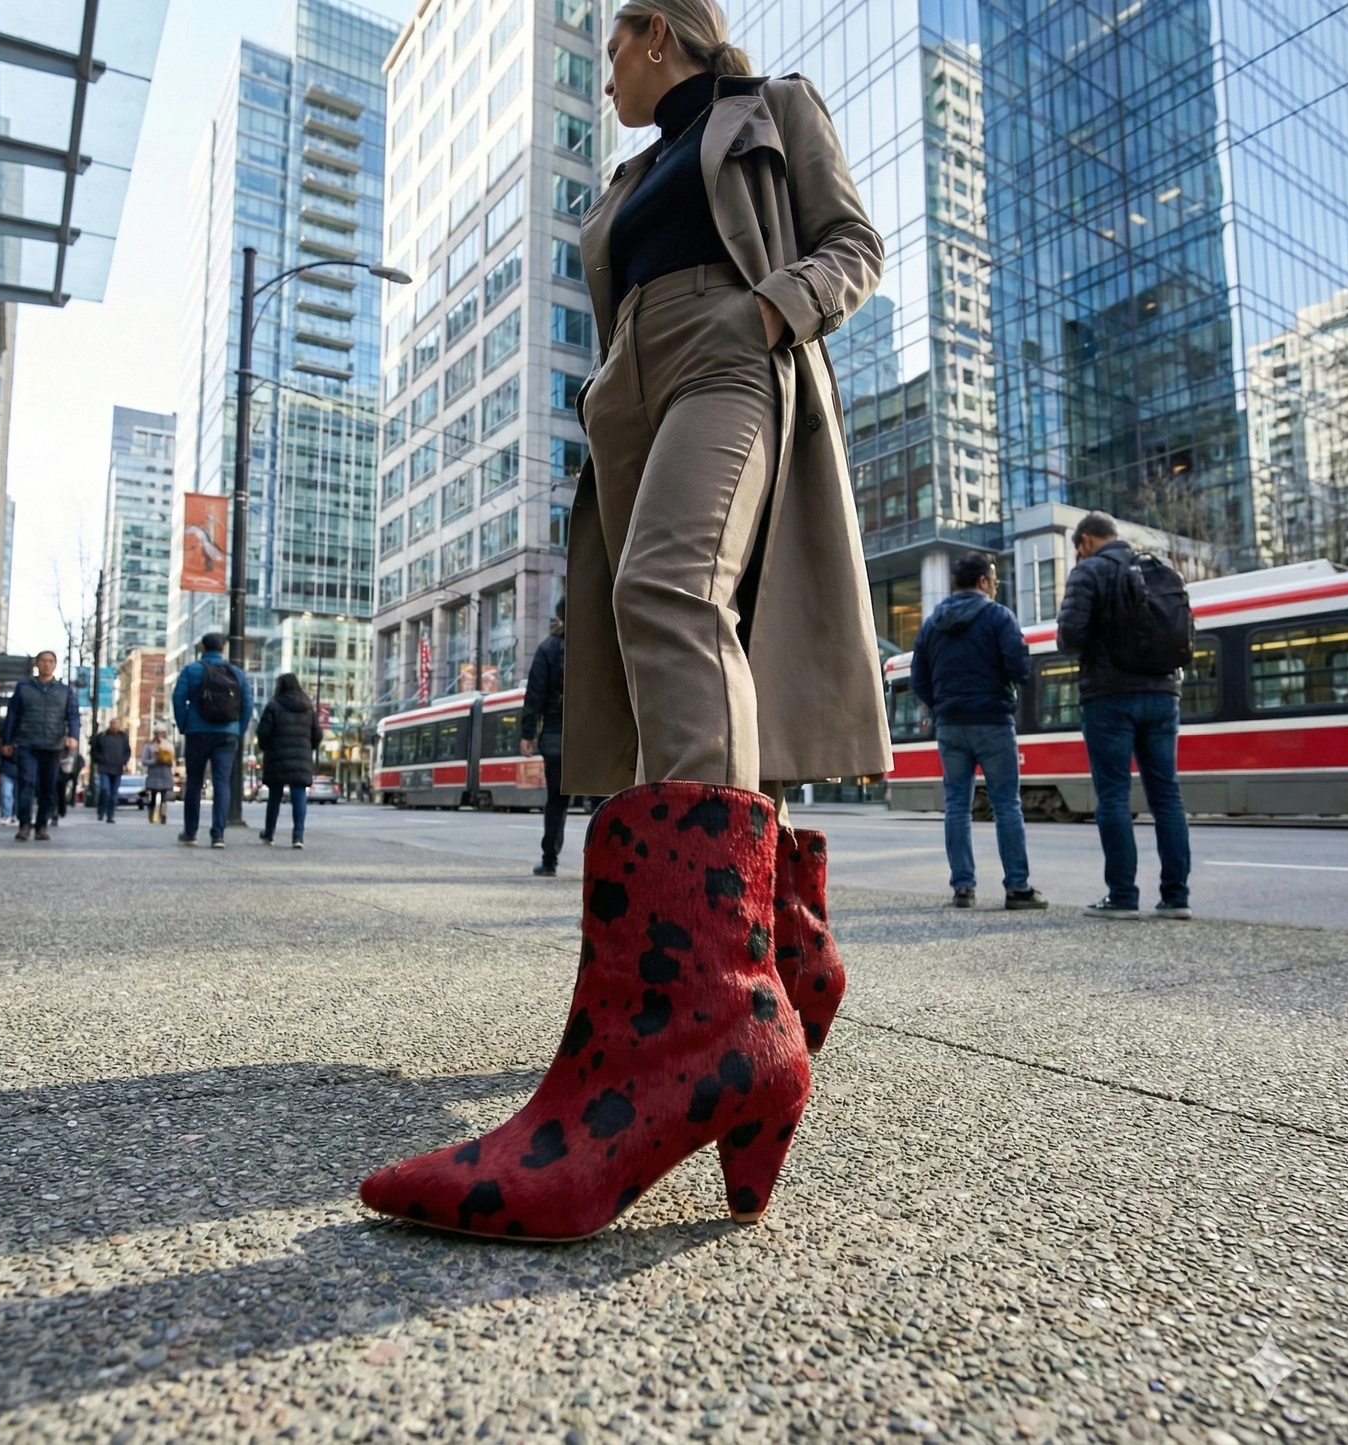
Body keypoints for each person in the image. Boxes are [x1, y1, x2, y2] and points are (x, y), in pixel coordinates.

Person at [359, 1, 891, 1241]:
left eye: (609, 47)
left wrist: (764, 312)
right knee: (664, 651)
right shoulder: (627, 172)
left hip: (726, 348)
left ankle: (703, 1007)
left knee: (670, 592)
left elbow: (854, 244)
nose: (601, 71)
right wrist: (609, 378)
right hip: (632, 390)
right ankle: (778, 946)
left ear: (659, 34)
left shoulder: (779, 108)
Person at [1057, 511, 1192, 920]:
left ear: (1084, 542)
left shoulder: (1089, 572)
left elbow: (1069, 639)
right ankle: (1176, 897)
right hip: (1163, 694)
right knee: (1166, 795)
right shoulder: (1158, 568)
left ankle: (1122, 896)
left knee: (1114, 795)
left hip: (1109, 698)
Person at [910, 553, 1046, 911]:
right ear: (984, 582)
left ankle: (963, 888)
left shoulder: (932, 624)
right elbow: (1019, 667)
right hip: (993, 721)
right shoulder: (999, 616)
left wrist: (941, 704)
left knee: (957, 805)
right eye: (995, 581)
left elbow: (918, 679)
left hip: (951, 725)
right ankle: (1017, 888)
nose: (996, 586)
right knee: (1007, 805)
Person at [171, 631, 253, 848]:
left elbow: (178, 699)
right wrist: (238, 729)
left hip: (197, 732)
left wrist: (184, 725)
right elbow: (247, 704)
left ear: (202, 648)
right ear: (223, 649)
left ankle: (190, 832)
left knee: (194, 782)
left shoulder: (191, 670)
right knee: (222, 782)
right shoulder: (236, 673)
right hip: (227, 734)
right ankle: (218, 835)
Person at [1, 650, 79, 842]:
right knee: (26, 784)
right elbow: (12, 715)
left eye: (51, 661)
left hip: (53, 745)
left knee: (48, 788)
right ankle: (25, 824)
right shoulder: (23, 688)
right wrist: (7, 741)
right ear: (37, 664)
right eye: (43, 661)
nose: (47, 664)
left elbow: (73, 716)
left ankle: (42, 825)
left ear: (55, 664)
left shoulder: (65, 690)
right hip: (27, 743)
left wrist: (73, 736)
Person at [521, 596, 567, 875]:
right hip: (592, 736)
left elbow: (534, 694)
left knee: (556, 800)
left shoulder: (548, 648)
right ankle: (603, 863)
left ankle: (549, 861)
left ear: (559, 617)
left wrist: (528, 732)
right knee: (601, 801)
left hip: (555, 733)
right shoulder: (596, 646)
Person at [255, 672, 322, 849]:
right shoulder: (308, 707)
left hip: (277, 757)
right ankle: (298, 836)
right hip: (301, 757)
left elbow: (263, 733)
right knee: (299, 795)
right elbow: (317, 734)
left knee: (274, 796)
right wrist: (308, 747)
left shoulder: (273, 705)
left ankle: (269, 833)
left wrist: (266, 747)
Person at [90, 718, 132, 823]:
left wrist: (124, 761)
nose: (114, 726)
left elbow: (127, 751)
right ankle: (101, 811)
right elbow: (94, 750)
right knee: (104, 789)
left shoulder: (123, 737)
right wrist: (100, 759)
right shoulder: (102, 736)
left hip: (117, 769)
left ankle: (110, 815)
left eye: (116, 724)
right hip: (104, 767)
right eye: (112, 724)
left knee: (114, 794)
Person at [141, 729, 174, 824]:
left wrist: (168, 760)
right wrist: (154, 760)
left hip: (165, 773)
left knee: (164, 797)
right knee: (153, 796)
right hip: (153, 773)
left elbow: (172, 760)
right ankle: (152, 816)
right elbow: (144, 760)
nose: (160, 736)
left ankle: (163, 815)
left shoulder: (169, 745)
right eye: (158, 733)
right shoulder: (149, 746)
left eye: (162, 733)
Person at [55, 746, 84, 824]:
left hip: (65, 774)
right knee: (57, 792)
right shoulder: (72, 752)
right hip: (60, 771)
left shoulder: (74, 753)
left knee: (60, 792)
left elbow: (80, 762)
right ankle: (58, 811)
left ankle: (59, 811)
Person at [0, 746, 17, 826]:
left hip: (14, 771)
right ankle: (7, 815)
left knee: (12, 795)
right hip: (7, 771)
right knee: (7, 794)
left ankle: (11, 815)